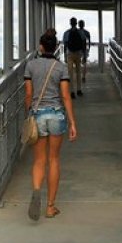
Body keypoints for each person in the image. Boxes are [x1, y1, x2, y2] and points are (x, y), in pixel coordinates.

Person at [24, 30, 78, 221]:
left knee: (39, 160)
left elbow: (29, 95)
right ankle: (50, 207)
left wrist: (29, 113)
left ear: (40, 46)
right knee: (54, 159)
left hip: (38, 116)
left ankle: (37, 189)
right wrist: (72, 122)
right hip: (56, 115)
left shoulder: (30, 66)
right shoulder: (61, 67)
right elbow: (65, 96)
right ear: (56, 47)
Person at [63, 18, 87, 98]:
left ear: (70, 23)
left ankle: (72, 91)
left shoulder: (66, 33)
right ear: (76, 23)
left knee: (70, 73)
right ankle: (79, 90)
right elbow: (84, 44)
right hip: (78, 53)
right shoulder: (80, 32)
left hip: (70, 53)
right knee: (78, 72)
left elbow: (65, 45)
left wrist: (65, 56)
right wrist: (84, 55)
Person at [77, 19, 92, 86]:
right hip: (84, 49)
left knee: (78, 63)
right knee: (84, 63)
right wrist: (88, 49)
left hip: (77, 49)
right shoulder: (86, 32)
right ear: (84, 25)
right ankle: (83, 76)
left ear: (78, 25)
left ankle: (79, 76)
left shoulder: (76, 32)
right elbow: (89, 42)